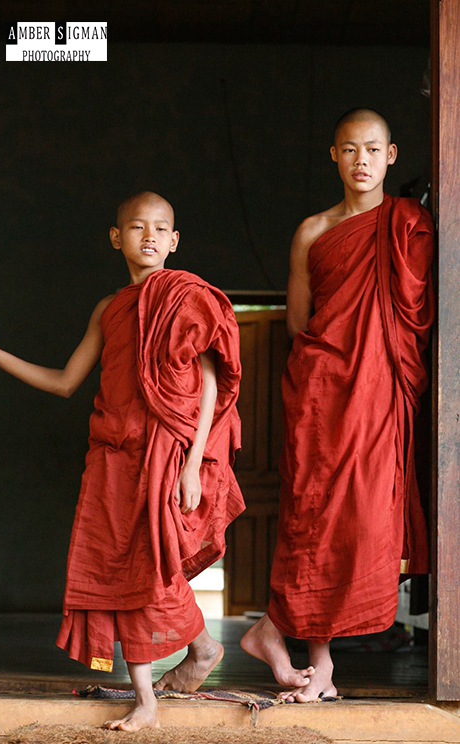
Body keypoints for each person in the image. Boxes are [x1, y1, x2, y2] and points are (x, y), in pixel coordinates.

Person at [0, 191, 246, 731]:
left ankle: (178, 671)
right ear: (115, 236)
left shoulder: (185, 295)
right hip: (112, 459)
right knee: (110, 567)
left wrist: (194, 462)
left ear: (174, 240)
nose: (148, 235)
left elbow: (211, 384)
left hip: (165, 452)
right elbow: (66, 381)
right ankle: (175, 672)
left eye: (160, 227)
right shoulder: (109, 308)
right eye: (136, 226)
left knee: (151, 568)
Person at [240, 109, 435, 703]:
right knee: (313, 512)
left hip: (378, 394)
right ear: (334, 157)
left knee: (363, 519)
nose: (361, 161)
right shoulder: (314, 230)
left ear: (392, 155)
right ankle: (317, 661)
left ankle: (275, 630)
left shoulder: (409, 224)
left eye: (372, 150)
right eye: (349, 150)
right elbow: (300, 322)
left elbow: (415, 311)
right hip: (323, 391)